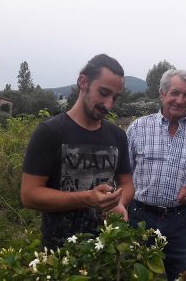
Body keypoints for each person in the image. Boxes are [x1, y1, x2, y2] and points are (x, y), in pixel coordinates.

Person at [21, 54, 134, 249]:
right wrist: (87, 199)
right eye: (104, 92)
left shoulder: (118, 136)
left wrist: (118, 202)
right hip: (59, 257)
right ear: (83, 82)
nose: (109, 104)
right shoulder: (50, 132)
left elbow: (126, 183)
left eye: (115, 98)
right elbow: (29, 195)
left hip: (107, 251)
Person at [126, 69, 186, 281]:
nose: (180, 100)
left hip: (182, 221)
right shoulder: (138, 128)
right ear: (162, 93)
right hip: (140, 218)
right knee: (135, 273)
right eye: (174, 93)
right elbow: (122, 174)